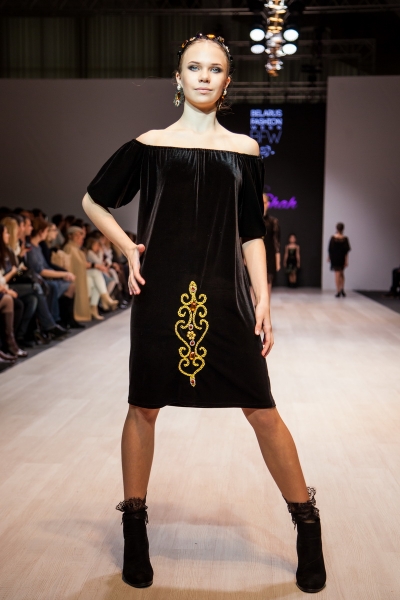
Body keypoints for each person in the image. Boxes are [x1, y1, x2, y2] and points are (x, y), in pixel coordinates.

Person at [82, 33, 326, 594]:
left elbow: (251, 233)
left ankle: (307, 524)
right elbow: (94, 199)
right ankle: (135, 529)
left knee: (262, 409)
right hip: (160, 295)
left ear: (227, 82)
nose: (203, 77)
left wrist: (263, 298)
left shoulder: (244, 149)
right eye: (194, 67)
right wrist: (127, 247)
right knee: (143, 406)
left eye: (214, 69)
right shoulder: (149, 144)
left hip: (225, 295)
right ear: (178, 77)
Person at [262, 192, 281, 298]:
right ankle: (254, 306)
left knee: (268, 282)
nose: (263, 205)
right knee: (253, 283)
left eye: (265, 202)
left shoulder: (273, 221)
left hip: (269, 254)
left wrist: (278, 260)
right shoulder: (252, 221)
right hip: (255, 254)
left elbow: (276, 241)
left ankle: (266, 305)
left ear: (268, 204)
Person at [328, 222, 351, 297]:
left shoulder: (333, 238)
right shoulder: (344, 239)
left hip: (336, 257)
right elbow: (346, 251)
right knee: (341, 273)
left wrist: (329, 257)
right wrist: (346, 260)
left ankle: (338, 291)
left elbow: (330, 249)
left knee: (338, 274)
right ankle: (341, 290)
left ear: (336, 228)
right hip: (341, 257)